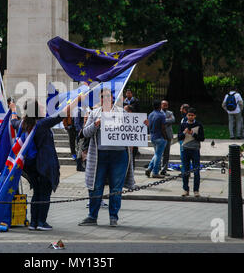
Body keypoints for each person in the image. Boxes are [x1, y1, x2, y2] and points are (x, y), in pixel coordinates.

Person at [10, 98, 78, 231]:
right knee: (45, 193)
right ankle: (41, 222)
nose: (44, 109)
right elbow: (62, 114)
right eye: (41, 107)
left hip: (31, 166)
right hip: (44, 165)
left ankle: (33, 222)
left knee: (37, 193)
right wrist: (78, 99)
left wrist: (13, 108)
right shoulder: (41, 124)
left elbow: (13, 122)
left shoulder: (23, 124)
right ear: (36, 111)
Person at [78, 89, 135, 227]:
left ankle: (113, 217)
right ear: (100, 99)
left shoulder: (122, 113)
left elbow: (133, 130)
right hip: (99, 156)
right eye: (103, 97)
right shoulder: (94, 113)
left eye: (109, 96)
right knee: (96, 186)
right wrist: (96, 124)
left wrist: (143, 125)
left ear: (113, 98)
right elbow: (85, 133)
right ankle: (92, 216)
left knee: (116, 187)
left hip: (119, 155)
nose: (106, 99)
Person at [178, 108, 205, 197]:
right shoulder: (183, 125)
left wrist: (193, 133)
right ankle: (185, 189)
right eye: (189, 115)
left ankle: (196, 190)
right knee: (185, 170)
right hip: (185, 149)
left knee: (196, 171)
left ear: (195, 116)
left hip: (195, 149)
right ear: (187, 115)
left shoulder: (199, 125)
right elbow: (179, 137)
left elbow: (202, 138)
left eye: (192, 115)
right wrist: (184, 133)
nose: (190, 117)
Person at [145, 100, 168, 178]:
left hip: (153, 136)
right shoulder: (161, 115)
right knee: (158, 155)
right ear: (160, 106)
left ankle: (149, 168)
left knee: (156, 154)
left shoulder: (150, 114)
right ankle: (155, 172)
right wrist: (166, 137)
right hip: (160, 137)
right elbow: (163, 128)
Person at [160, 100, 175, 176]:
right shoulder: (158, 112)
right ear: (161, 105)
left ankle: (164, 169)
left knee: (166, 154)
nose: (165, 106)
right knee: (159, 153)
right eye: (163, 105)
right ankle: (158, 167)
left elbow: (173, 120)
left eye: (166, 105)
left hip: (168, 135)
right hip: (160, 135)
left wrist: (163, 121)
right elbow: (159, 121)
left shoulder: (170, 113)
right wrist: (167, 120)